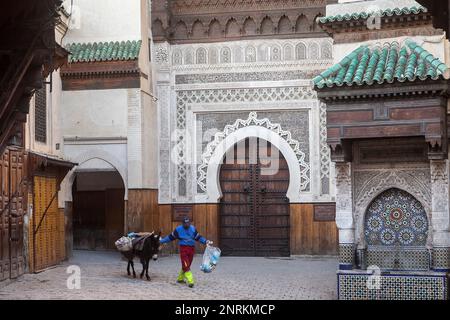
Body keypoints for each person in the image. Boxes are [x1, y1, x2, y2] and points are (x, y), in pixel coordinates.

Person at [160, 216, 212, 288]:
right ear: (182, 223)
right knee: (186, 264)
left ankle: (180, 279)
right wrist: (161, 241)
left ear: (189, 223)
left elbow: (198, 237)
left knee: (187, 264)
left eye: (188, 223)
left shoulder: (193, 229)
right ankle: (191, 281)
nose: (187, 225)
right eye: (185, 223)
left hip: (191, 249)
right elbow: (170, 237)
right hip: (183, 249)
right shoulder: (178, 230)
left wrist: (206, 241)